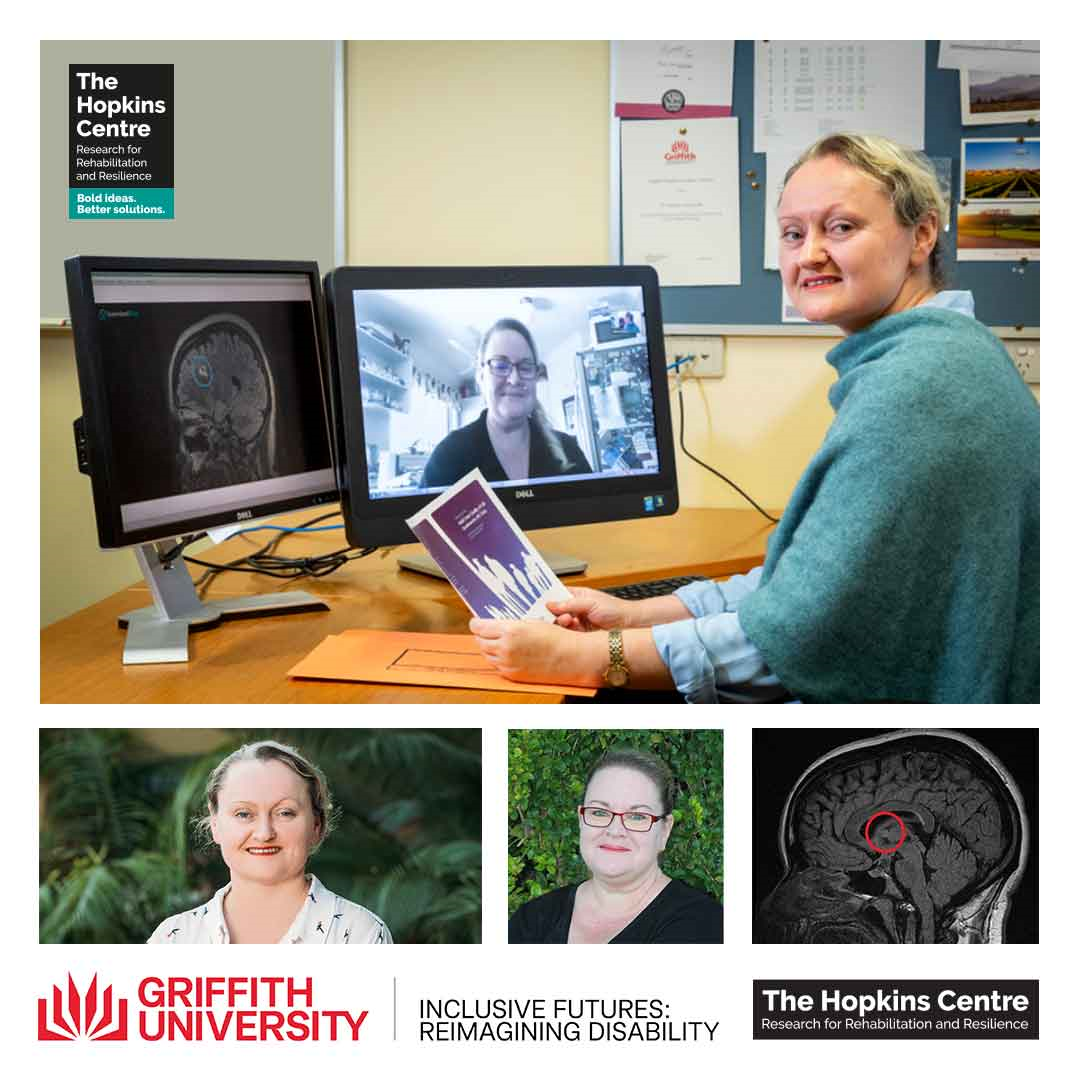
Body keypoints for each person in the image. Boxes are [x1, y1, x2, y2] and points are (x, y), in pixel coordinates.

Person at [471, 133, 1039, 704]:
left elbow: (793, 638)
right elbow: (805, 584)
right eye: (794, 233)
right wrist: (636, 614)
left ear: (921, 235)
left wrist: (589, 657)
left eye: (841, 227)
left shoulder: (918, 387)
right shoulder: (946, 353)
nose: (809, 253)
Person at [148, 740, 392, 944]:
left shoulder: (361, 935)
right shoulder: (172, 940)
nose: (264, 833)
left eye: (285, 813)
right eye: (243, 814)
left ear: (317, 826)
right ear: (216, 827)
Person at [509, 748, 723, 943]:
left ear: (665, 830)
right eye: (600, 813)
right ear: (581, 819)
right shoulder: (532, 919)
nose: (615, 830)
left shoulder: (702, 921)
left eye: (637, 816)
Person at [420, 317, 591, 488]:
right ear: (480, 376)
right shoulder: (450, 455)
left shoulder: (568, 451)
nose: (515, 379)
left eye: (525, 367)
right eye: (500, 365)